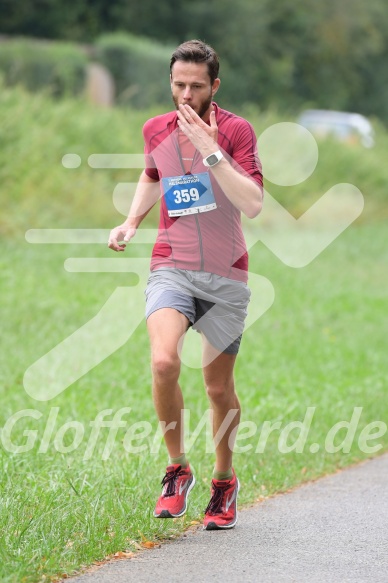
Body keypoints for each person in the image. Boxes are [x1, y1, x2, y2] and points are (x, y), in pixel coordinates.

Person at [108, 39, 263, 530]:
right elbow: (152, 174)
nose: (186, 94)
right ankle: (176, 469)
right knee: (162, 360)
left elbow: (253, 202)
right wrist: (132, 220)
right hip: (171, 264)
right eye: (179, 84)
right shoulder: (155, 128)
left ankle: (223, 479)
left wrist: (211, 150)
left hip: (225, 274)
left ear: (214, 86)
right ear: (170, 81)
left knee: (218, 389)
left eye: (196, 86)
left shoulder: (237, 131)